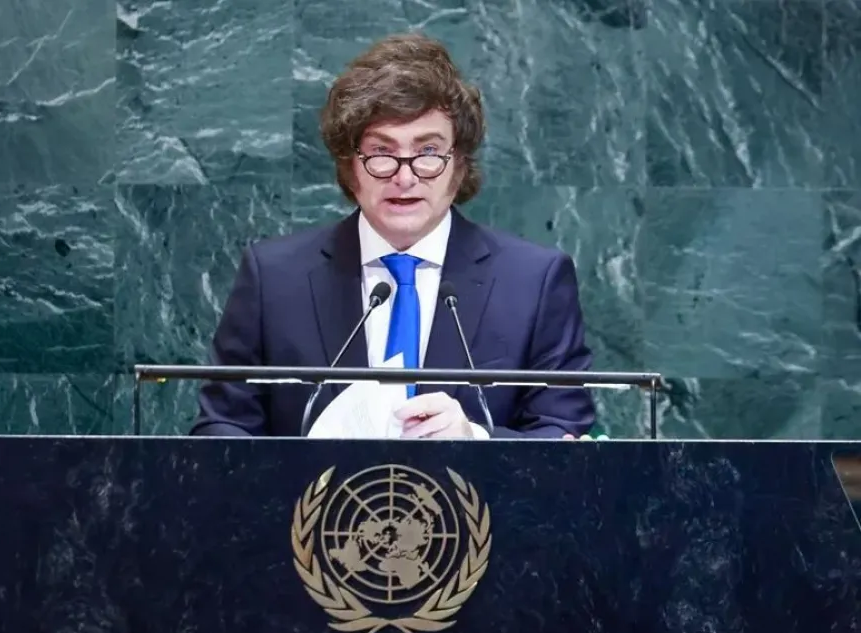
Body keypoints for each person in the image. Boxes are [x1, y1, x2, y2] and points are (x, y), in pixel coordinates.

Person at [189, 32, 596, 440]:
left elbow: (562, 436)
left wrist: (475, 440)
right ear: (350, 166)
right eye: (382, 152)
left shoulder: (534, 281)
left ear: (459, 165)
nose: (405, 177)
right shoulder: (274, 278)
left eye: (428, 152)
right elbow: (221, 428)